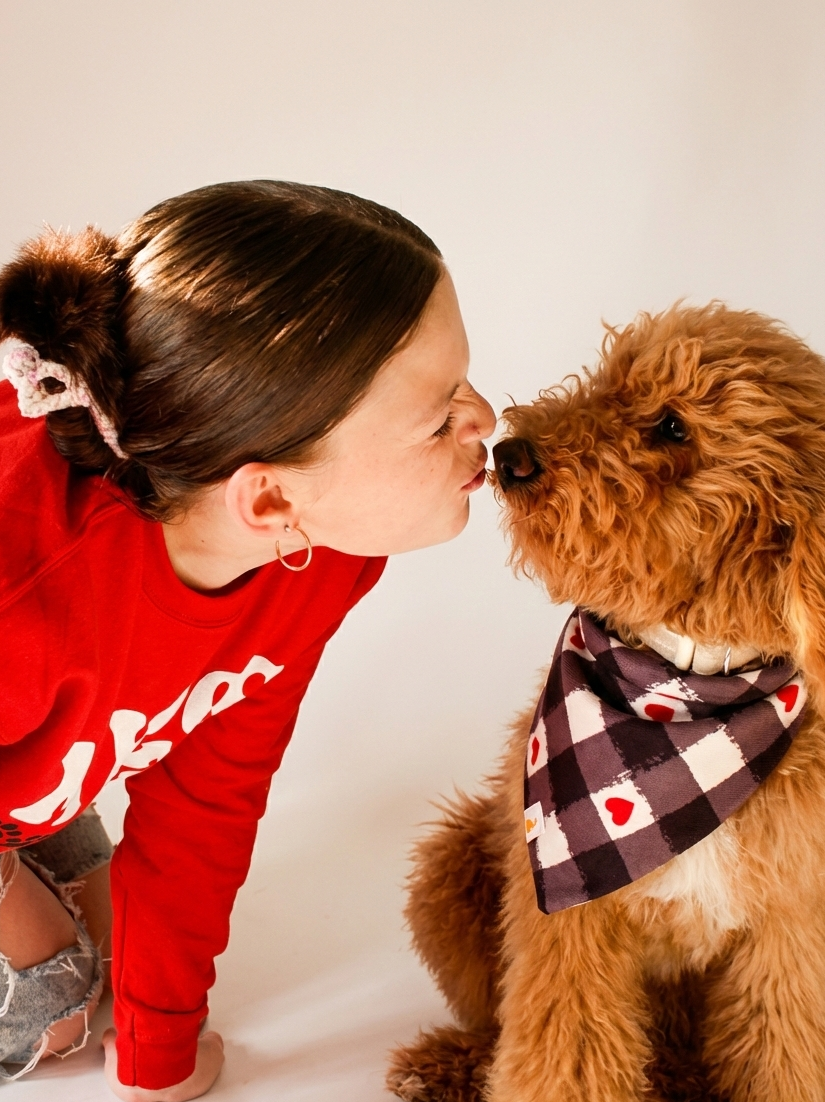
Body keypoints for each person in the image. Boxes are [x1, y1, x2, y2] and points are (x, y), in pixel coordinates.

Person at [0, 180, 496, 1101]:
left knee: (116, 968)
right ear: (268, 498)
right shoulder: (26, 596)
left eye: (463, 384)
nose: (485, 421)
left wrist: (159, 1056)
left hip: (32, 727)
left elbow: (208, 795)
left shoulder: (321, 560)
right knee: (56, 1013)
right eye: (440, 418)